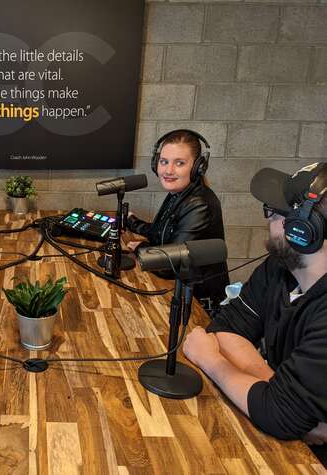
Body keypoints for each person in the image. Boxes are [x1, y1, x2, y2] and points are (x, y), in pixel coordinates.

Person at [183, 162, 327, 465]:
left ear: (303, 229)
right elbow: (226, 329)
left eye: (276, 211)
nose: (269, 217)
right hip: (290, 436)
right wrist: (276, 393)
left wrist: (210, 359)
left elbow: (279, 417)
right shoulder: (280, 269)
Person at [127, 129, 229, 313]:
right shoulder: (181, 193)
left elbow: (170, 264)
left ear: (198, 166)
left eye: (179, 163)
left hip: (198, 306)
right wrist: (132, 222)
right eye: (164, 162)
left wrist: (140, 249)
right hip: (181, 292)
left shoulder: (200, 204)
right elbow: (162, 231)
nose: (168, 170)